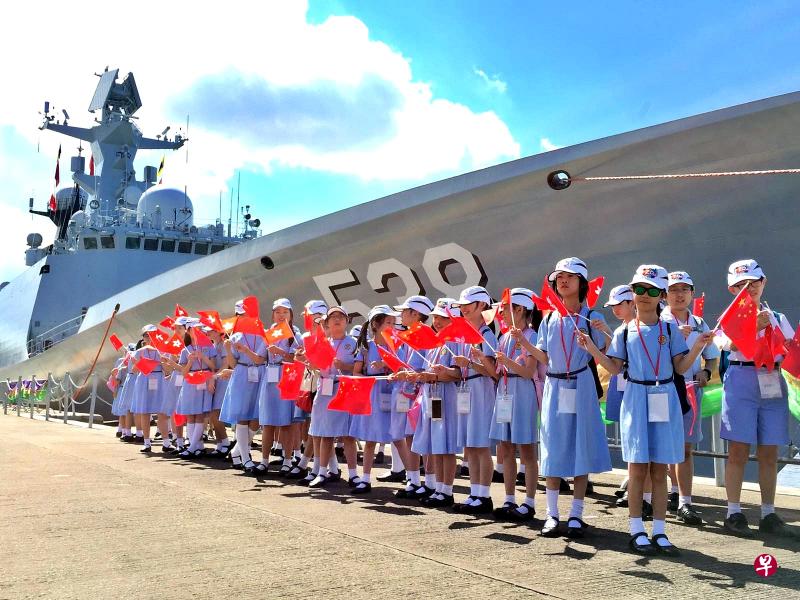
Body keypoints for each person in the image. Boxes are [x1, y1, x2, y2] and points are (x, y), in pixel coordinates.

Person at [579, 264, 714, 556]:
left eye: (651, 290)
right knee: (637, 468)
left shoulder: (670, 329)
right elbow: (615, 367)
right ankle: (636, 529)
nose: (643, 295)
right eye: (639, 288)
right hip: (638, 398)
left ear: (661, 295)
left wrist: (698, 347)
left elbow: (680, 367)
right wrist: (591, 348)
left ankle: (661, 531)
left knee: (660, 467)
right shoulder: (625, 330)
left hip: (665, 396)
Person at [523, 257, 612, 537]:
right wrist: (523, 343)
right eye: (559, 277)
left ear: (582, 283)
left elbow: (606, 353)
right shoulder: (548, 318)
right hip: (555, 384)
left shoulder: (593, 317)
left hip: (582, 383)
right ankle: (551, 514)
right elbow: (545, 356)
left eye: (570, 277)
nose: (563, 281)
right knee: (553, 445)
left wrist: (605, 335)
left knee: (581, 445)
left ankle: (576, 514)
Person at [717, 259, 795, 537]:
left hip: (772, 381)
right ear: (731, 289)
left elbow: (790, 350)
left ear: (763, 283)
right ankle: (734, 512)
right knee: (738, 449)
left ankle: (768, 513)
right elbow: (726, 345)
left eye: (752, 283)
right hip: (742, 379)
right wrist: (751, 325)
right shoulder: (728, 318)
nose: (748, 289)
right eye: (740, 285)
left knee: (770, 452)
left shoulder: (777, 316)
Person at [663, 270, 720, 524]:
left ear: (692, 294)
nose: (679, 294)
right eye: (674, 290)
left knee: (686, 448)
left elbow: (713, 354)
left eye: (684, 289)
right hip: (664, 390)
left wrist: (707, 370)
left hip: (690, 390)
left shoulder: (699, 323)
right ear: (665, 295)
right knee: (665, 447)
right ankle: (669, 492)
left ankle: (684, 501)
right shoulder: (659, 321)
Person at [491, 288, 545, 521]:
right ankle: (509, 498)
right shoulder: (504, 337)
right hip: (504, 391)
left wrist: (507, 362)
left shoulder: (531, 336)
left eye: (505, 308)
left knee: (526, 450)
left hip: (523, 392)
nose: (501, 312)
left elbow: (528, 372)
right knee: (505, 448)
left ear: (520, 310)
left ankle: (530, 502)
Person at [451, 285, 498, 514]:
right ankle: (475, 493)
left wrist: (469, 363)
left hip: (481, 387)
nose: (463, 309)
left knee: (481, 446)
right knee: (471, 445)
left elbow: (493, 370)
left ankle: (484, 495)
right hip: (467, 387)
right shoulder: (467, 334)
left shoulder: (486, 334)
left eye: (468, 305)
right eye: (461, 305)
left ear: (481, 305)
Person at [306, 306, 358, 488]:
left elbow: (359, 369)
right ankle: (321, 472)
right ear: (326, 323)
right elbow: (315, 368)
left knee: (348, 435)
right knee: (324, 433)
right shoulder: (322, 343)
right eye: (333, 317)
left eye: (341, 317)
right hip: (325, 390)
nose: (337, 320)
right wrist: (310, 364)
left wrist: (343, 365)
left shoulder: (353, 343)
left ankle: (354, 475)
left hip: (344, 389)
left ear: (347, 321)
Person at [389, 295, 435, 499]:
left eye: (404, 311)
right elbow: (406, 364)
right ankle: (414, 480)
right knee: (408, 437)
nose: (400, 315)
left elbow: (423, 367)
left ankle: (430, 482)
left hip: (420, 393)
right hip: (407, 391)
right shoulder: (409, 334)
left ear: (416, 314)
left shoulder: (425, 334)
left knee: (422, 437)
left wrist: (407, 373)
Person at [349, 305, 398, 494]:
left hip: (392, 393)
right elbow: (356, 373)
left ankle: (413, 480)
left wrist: (386, 364)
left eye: (394, 322)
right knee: (370, 439)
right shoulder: (366, 347)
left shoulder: (395, 344)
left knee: (399, 438)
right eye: (388, 322)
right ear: (376, 324)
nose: (392, 326)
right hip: (373, 395)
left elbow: (401, 367)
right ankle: (365, 478)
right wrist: (369, 380)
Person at [253, 298, 302, 476]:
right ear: (273, 314)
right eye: (278, 312)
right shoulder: (268, 333)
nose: (281, 315)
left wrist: (280, 352)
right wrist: (242, 350)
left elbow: (297, 359)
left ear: (290, 314)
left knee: (286, 423)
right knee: (267, 423)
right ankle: (264, 461)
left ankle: (287, 460)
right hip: (270, 377)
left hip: (287, 377)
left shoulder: (295, 335)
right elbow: (259, 359)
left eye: (285, 312)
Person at [219, 300, 267, 470]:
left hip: (258, 373)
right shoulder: (235, 336)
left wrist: (246, 350)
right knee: (242, 415)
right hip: (241, 375)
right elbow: (233, 363)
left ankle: (237, 451)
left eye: (245, 314)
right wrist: (227, 348)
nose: (242, 317)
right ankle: (246, 458)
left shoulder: (263, 334)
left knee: (255, 417)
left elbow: (260, 359)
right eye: (240, 314)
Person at [175, 323, 217, 457]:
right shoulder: (185, 350)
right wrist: (190, 361)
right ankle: (198, 446)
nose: (197, 332)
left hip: (204, 379)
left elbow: (213, 367)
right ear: (188, 331)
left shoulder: (208, 347)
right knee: (190, 415)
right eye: (194, 329)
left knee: (199, 414)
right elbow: (183, 372)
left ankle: (192, 447)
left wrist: (203, 357)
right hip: (190, 381)